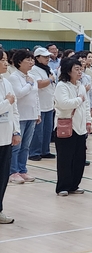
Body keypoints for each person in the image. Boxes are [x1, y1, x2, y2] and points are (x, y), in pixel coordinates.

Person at [53, 57, 92, 196]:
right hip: (66, 126)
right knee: (65, 158)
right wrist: (79, 99)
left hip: (80, 128)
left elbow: (86, 105)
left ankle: (74, 185)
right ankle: (62, 186)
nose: (80, 72)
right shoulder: (61, 86)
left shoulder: (81, 85)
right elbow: (64, 104)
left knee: (79, 159)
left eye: (81, 69)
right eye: (77, 69)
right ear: (68, 71)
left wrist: (88, 121)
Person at [8, 49, 39, 184]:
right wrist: (29, 84)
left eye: (32, 59)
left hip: (31, 115)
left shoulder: (32, 76)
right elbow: (19, 94)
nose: (31, 62)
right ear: (19, 62)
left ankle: (22, 169)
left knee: (26, 146)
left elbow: (36, 96)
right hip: (20, 116)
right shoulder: (14, 77)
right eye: (28, 59)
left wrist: (38, 113)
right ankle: (13, 171)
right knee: (17, 145)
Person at [0, 50, 20, 223]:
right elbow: (7, 105)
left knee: (3, 177)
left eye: (6, 60)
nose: (6, 63)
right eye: (2, 60)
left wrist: (16, 131)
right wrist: (7, 101)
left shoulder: (6, 82)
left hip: (6, 138)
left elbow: (14, 110)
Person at [28, 47, 56, 162]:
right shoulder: (34, 70)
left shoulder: (49, 69)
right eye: (45, 57)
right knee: (38, 131)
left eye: (48, 56)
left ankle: (45, 150)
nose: (47, 58)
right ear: (37, 58)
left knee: (48, 129)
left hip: (49, 104)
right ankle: (34, 152)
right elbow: (39, 84)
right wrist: (50, 80)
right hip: (39, 104)